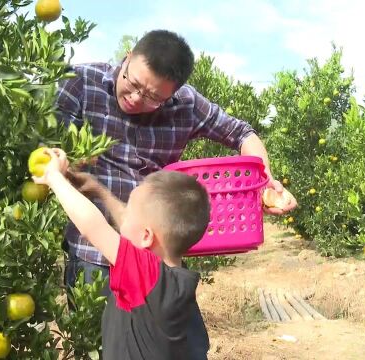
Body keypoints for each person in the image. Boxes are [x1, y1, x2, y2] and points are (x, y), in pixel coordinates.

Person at [54, 29, 297, 293]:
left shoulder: (187, 104)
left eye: (153, 97)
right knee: (100, 335)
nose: (136, 98)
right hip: (93, 255)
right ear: (127, 58)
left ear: (174, 94)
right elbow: (45, 143)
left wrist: (265, 182)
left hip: (156, 261)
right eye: (132, 83)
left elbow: (242, 134)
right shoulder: (81, 82)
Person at [34, 148, 211, 359]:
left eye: (128, 213)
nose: (122, 215)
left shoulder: (149, 277)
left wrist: (54, 177)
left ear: (147, 236)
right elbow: (134, 228)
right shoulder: (170, 277)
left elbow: (93, 227)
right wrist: (99, 191)